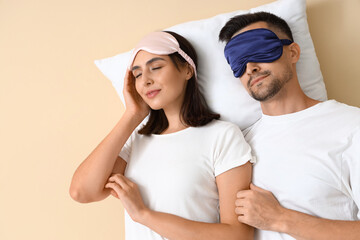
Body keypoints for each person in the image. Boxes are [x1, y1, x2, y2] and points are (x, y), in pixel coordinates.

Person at [70, 31, 254, 240]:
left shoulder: (222, 136)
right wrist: (132, 115)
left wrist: (144, 215)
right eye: (138, 74)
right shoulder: (135, 141)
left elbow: (239, 235)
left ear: (187, 69)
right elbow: (82, 192)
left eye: (156, 68)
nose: (145, 80)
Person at [219, 11, 360, 240]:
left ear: (293, 52)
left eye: (259, 50)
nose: (250, 67)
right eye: (239, 61)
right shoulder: (236, 146)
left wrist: (279, 218)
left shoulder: (351, 127)